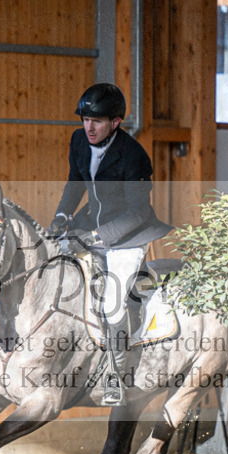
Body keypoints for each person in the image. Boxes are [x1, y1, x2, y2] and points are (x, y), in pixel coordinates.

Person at [48, 83, 172, 405]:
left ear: (115, 122)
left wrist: (99, 238)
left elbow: (139, 212)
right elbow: (76, 181)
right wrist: (62, 215)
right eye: (85, 119)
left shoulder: (134, 156)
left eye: (97, 121)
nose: (88, 127)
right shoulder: (78, 141)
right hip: (90, 224)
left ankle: (117, 376)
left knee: (113, 304)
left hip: (129, 237)